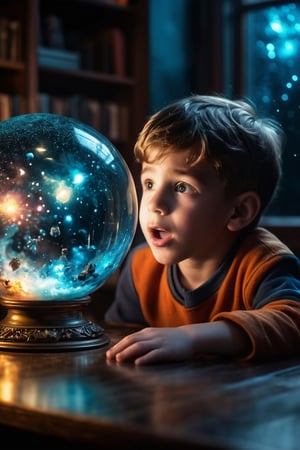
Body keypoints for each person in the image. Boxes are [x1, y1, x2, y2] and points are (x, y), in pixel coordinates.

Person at [105, 94, 300, 365]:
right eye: (149, 183)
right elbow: (122, 341)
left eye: (182, 187)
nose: (155, 203)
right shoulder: (141, 268)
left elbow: (293, 321)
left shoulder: (263, 264)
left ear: (239, 211)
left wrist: (191, 338)